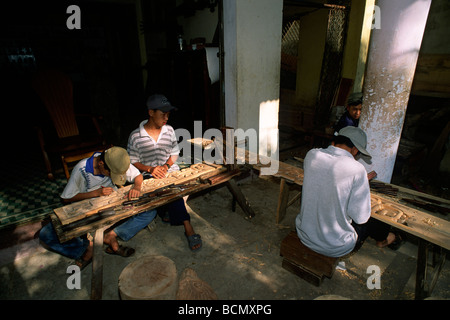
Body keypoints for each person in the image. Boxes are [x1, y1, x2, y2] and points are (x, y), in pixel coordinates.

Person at [39, 147, 157, 269]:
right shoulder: (81, 169)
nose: (113, 176)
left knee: (149, 212)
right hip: (90, 209)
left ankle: (111, 235)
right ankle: (87, 248)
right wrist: (96, 193)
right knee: (46, 234)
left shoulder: (115, 160)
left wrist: (136, 187)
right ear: (101, 164)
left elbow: (138, 176)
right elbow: (66, 198)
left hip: (114, 204)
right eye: (111, 174)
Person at [295, 126, 401, 258]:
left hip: (304, 235)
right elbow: (360, 217)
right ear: (355, 150)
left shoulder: (312, 155)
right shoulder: (357, 169)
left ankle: (384, 237)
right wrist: (361, 183)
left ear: (334, 142)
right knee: (373, 221)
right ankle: (385, 238)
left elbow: (328, 176)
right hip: (335, 246)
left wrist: (357, 181)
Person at [127, 94, 202, 251]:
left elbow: (174, 153)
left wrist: (166, 166)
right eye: (163, 114)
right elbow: (133, 160)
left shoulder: (169, 130)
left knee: (174, 189)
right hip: (147, 173)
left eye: (168, 114)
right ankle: (175, 219)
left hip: (168, 170)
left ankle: (185, 224)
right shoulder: (135, 136)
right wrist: (150, 169)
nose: (166, 117)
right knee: (159, 192)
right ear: (151, 112)